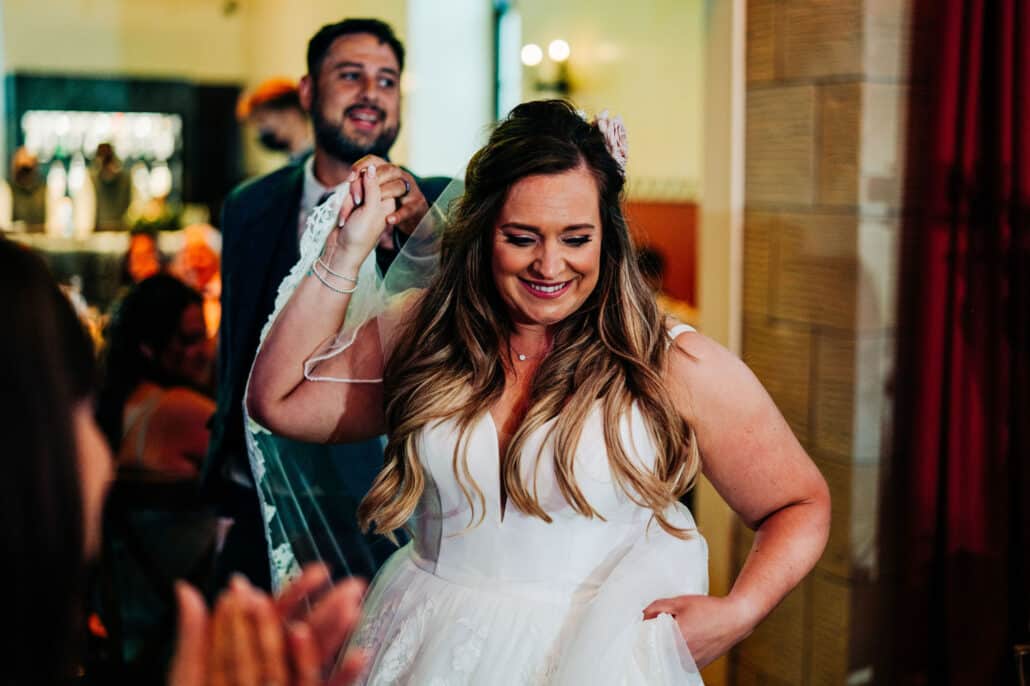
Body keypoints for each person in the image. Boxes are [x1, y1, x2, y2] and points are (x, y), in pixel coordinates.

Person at [247, 100, 831, 683]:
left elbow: (799, 503)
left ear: (608, 235)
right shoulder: (425, 331)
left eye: (576, 238)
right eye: (521, 237)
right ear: (482, 232)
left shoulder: (669, 362)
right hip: (428, 642)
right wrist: (346, 248)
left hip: (598, 657)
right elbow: (278, 401)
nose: (550, 266)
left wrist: (741, 611)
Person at [0, 236, 367, 685]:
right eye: (77, 410)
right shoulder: (182, 412)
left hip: (126, 626)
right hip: (169, 620)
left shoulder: (127, 402)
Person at [205, 17, 450, 593]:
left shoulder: (441, 206)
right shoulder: (250, 205)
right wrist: (220, 488)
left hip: (382, 505)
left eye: (387, 81)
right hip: (260, 494)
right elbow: (236, 350)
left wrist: (426, 236)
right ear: (309, 91)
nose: (371, 93)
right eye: (351, 75)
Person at [238, 77, 315, 164]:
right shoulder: (295, 162)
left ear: (290, 114)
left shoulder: (319, 162)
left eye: (262, 120)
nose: (260, 130)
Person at [91, 142, 133, 229]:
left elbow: (128, 203)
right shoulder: (93, 179)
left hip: (120, 228)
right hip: (98, 229)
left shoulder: (125, 179)